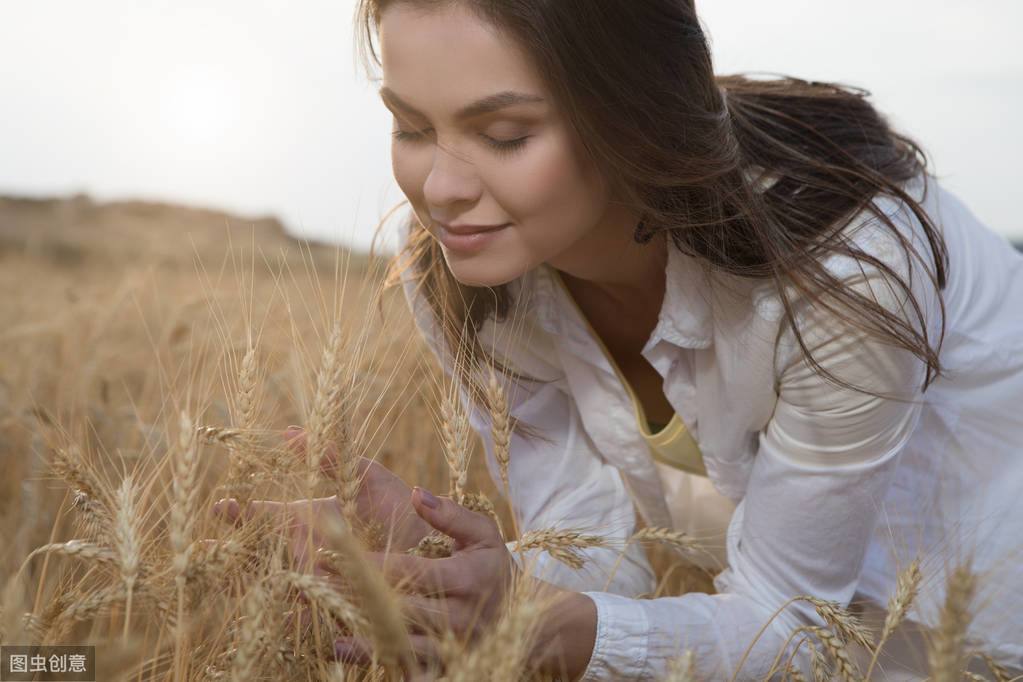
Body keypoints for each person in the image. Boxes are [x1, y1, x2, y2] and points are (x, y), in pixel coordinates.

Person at [226, 1, 1023, 679]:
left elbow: (796, 626)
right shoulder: (464, 271)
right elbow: (591, 553)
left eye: (504, 134)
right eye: (409, 125)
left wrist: (542, 624)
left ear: (635, 114)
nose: (439, 189)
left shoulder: (847, 272)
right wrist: (443, 569)